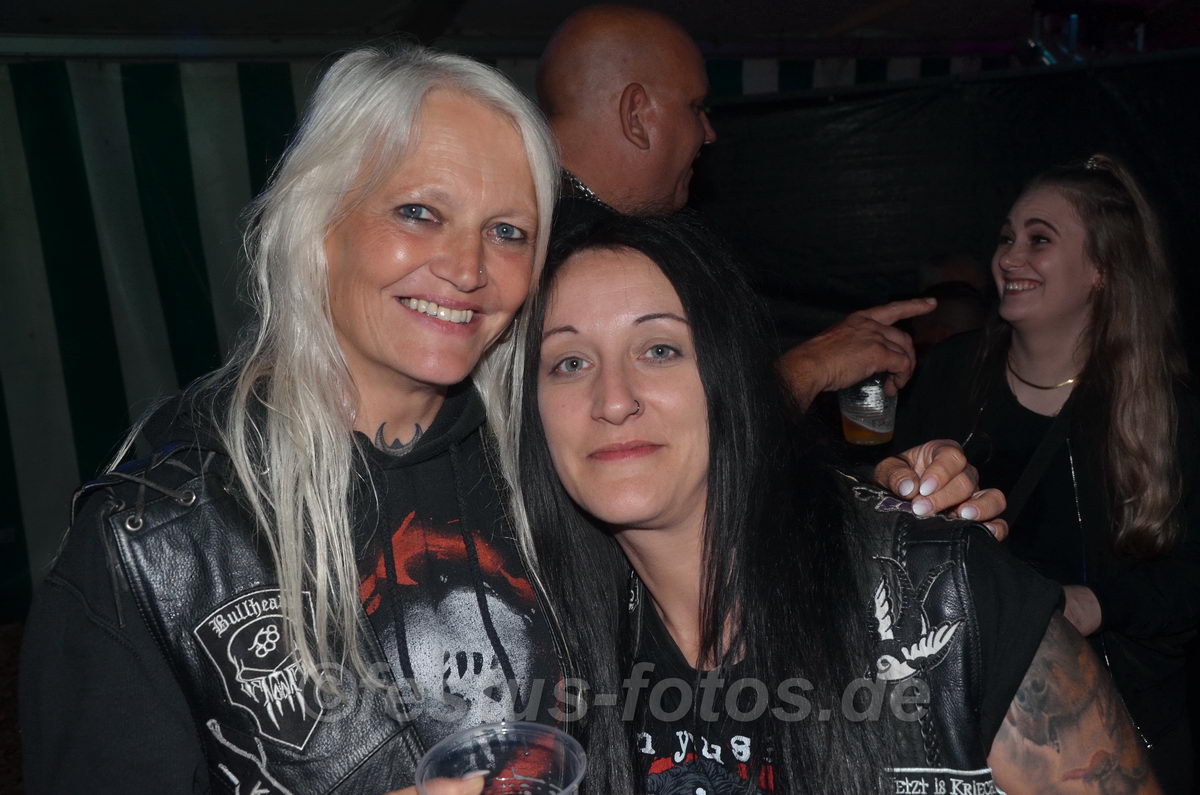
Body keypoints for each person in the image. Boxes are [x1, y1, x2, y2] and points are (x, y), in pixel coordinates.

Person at [16, 43, 987, 795]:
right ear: (320, 222)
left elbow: (735, 537)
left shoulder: (558, 450)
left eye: (508, 231)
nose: (468, 268)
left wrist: (892, 530)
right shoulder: (158, 543)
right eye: (419, 212)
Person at [512, 212, 1159, 793]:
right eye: (568, 362)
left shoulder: (938, 593)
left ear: (734, 375)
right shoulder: (542, 641)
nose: (613, 399)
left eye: (660, 350)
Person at [897, 154, 1199, 791]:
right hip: (962, 724)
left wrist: (1095, 604)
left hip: (1111, 731)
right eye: (1006, 237)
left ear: (1102, 269)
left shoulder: (1162, 409)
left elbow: (1186, 576)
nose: (1009, 257)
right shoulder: (951, 374)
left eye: (1039, 240)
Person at [536, 4, 940, 412]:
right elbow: (684, 432)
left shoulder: (535, 230)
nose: (708, 133)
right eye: (695, 107)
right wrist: (814, 367)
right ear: (636, 115)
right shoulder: (587, 253)